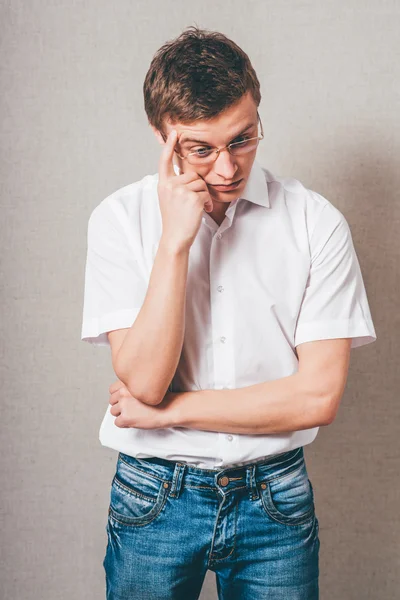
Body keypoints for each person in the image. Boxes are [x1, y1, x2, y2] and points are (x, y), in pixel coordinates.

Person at [81, 26, 377, 600]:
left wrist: (170, 414)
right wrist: (174, 243)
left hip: (275, 498)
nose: (226, 168)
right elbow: (142, 380)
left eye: (242, 139)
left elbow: (317, 398)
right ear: (161, 136)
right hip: (154, 497)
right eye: (201, 148)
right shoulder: (118, 220)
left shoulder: (316, 222)